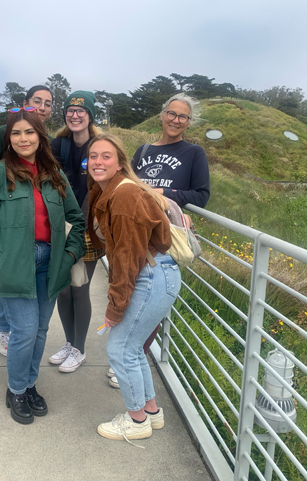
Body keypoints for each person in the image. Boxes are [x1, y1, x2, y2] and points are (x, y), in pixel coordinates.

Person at [0, 108, 84, 424]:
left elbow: (76, 219)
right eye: (16, 132)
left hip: (51, 261)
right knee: (24, 331)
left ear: (40, 136)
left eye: (29, 132)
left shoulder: (55, 175)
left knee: (41, 328)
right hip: (14, 265)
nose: (23, 138)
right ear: (8, 138)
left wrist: (70, 255)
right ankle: (16, 389)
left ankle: (30, 384)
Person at [87, 133, 181, 444]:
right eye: (94, 156)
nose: (98, 162)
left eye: (106, 156)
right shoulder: (114, 192)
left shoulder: (123, 197)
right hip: (158, 273)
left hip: (149, 276)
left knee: (120, 348)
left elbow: (127, 258)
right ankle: (151, 412)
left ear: (119, 163)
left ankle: (136, 420)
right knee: (133, 348)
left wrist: (115, 307)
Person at [130, 92, 210, 365]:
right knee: (129, 296)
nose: (175, 120)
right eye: (172, 113)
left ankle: (134, 356)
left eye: (182, 116)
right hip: (135, 236)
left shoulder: (194, 153)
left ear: (189, 122)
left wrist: (163, 192)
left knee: (151, 301)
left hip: (164, 241)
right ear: (162, 114)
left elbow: (201, 196)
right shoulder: (143, 151)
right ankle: (128, 354)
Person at [0, 85, 54, 357]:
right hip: (11, 231)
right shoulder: (3, 139)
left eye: (47, 103)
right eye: (36, 102)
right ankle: (3, 328)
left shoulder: (49, 148)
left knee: (36, 325)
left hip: (45, 244)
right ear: (26, 103)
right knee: (19, 314)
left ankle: (24, 376)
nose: (41, 107)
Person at [48, 90, 104, 373]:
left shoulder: (100, 146)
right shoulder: (59, 144)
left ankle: (80, 349)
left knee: (79, 288)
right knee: (62, 290)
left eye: (81, 110)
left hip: (87, 228)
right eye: (70, 110)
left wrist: (80, 228)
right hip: (62, 225)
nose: (75, 114)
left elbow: (100, 187)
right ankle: (70, 343)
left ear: (90, 115)